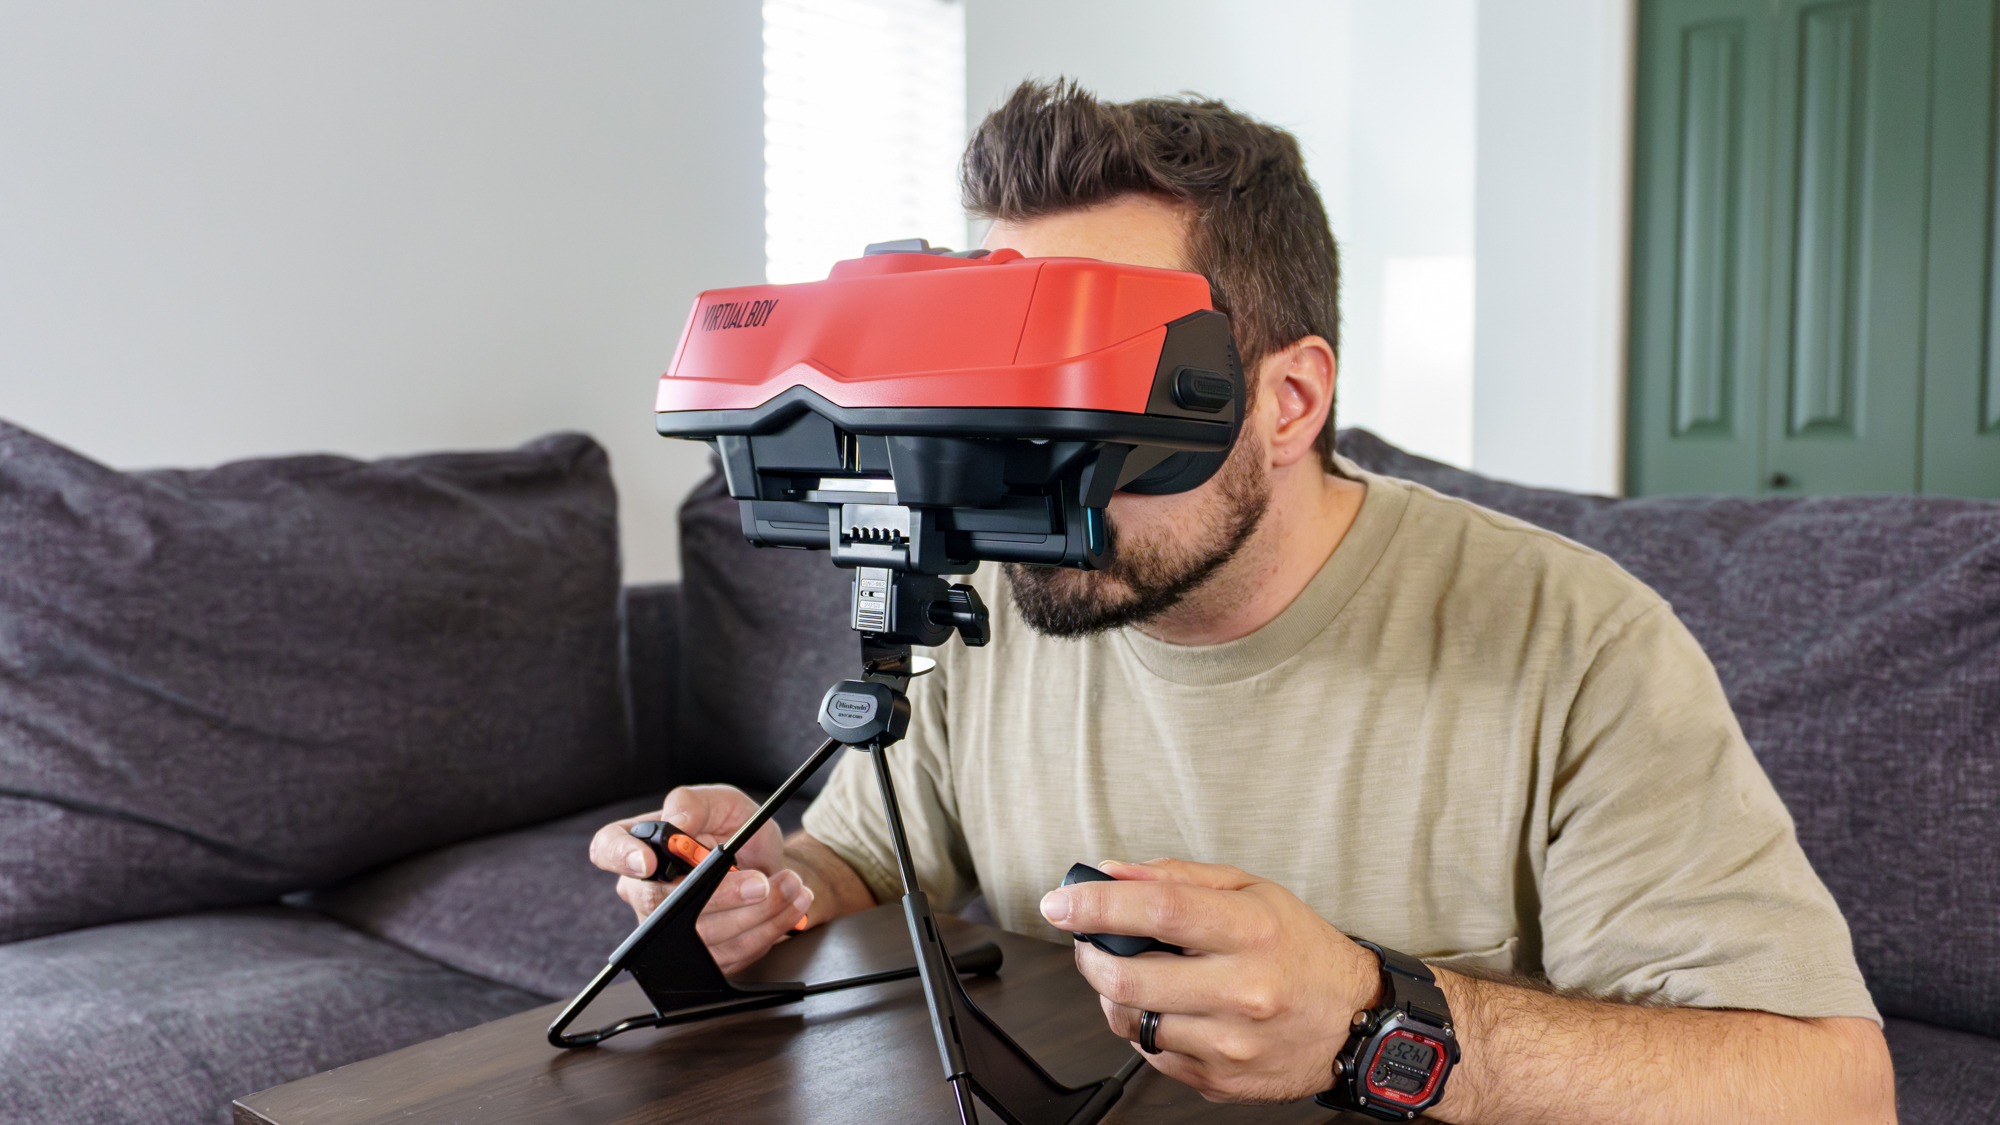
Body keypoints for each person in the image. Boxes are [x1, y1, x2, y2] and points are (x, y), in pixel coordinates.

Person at [591, 80, 1894, 1122]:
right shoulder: (1014, 583)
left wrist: (1383, 1027)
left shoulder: (1575, 641)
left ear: (1286, 398)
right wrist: (769, 880)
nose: (1039, 466)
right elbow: (864, 862)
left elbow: (1831, 1091)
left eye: (1095, 397)